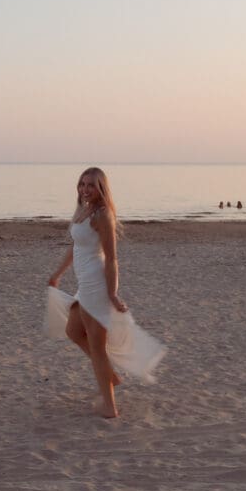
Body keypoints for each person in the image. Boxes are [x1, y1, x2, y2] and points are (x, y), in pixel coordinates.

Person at [46, 167, 166, 418]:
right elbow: (76, 247)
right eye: (82, 184)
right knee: (72, 331)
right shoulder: (83, 210)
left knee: (97, 346)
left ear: (101, 188)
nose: (85, 189)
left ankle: (110, 407)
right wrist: (58, 274)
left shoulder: (103, 215)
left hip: (97, 285)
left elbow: (112, 259)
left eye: (91, 185)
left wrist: (112, 294)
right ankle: (110, 376)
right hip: (85, 283)